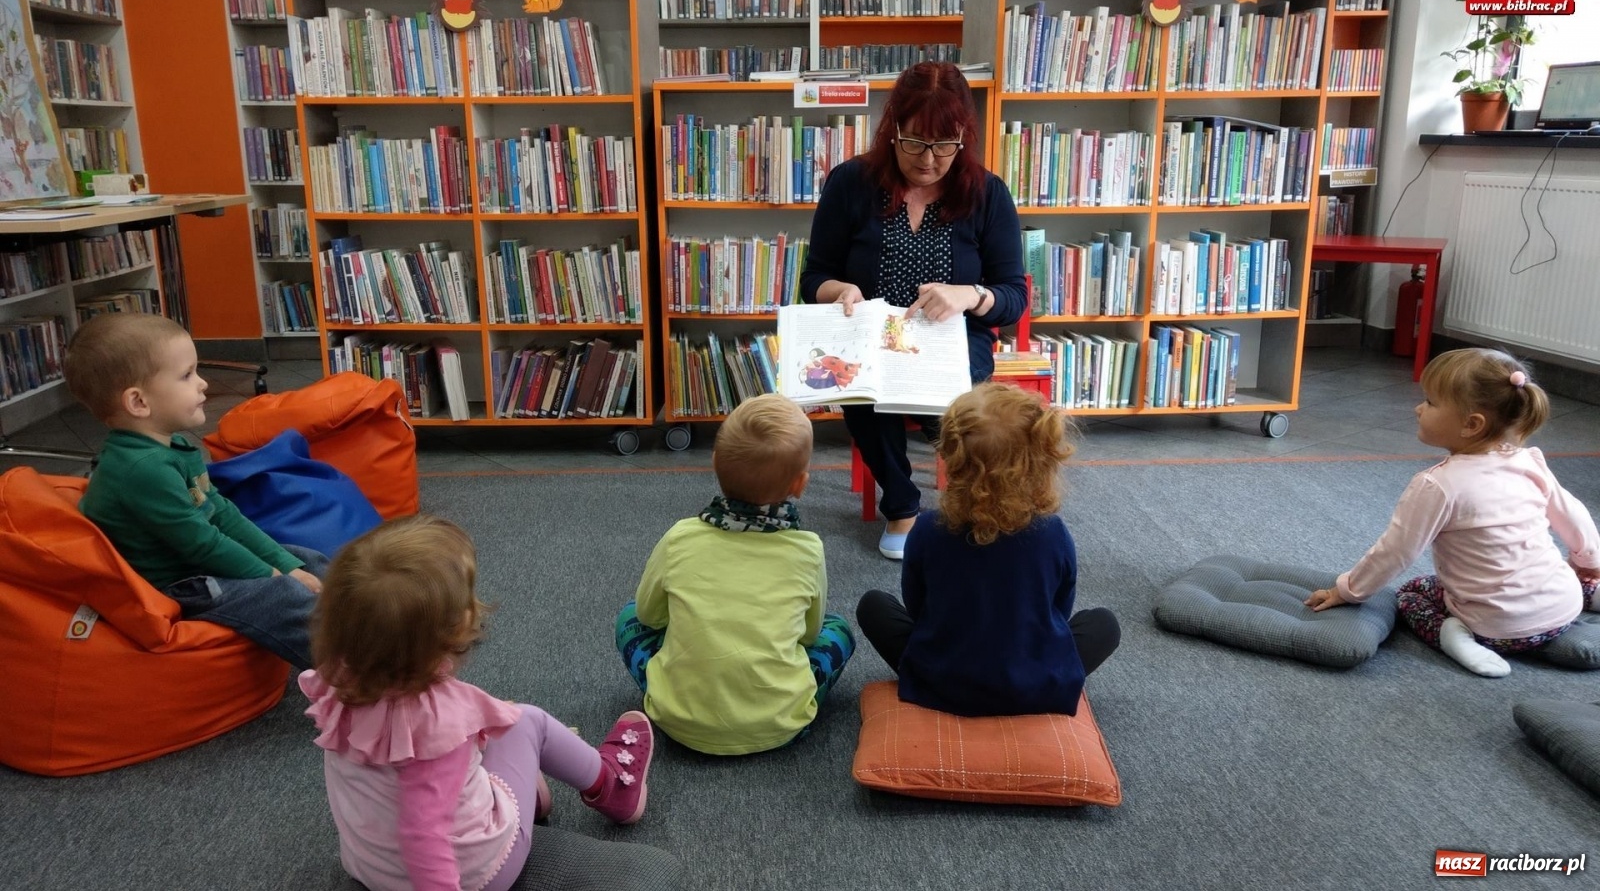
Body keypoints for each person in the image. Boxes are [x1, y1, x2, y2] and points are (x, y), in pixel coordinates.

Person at [303, 515, 655, 891]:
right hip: (479, 872)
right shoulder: (439, 723)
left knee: (493, 726)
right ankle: (614, 787)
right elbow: (423, 836)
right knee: (525, 721)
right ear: (459, 626)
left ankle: (522, 792)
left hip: (370, 867)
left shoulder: (336, 684)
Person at [800, 60, 1028, 560]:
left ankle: (970, 498)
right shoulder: (851, 183)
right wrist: (840, 291)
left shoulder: (987, 193)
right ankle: (902, 505)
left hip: (952, 338)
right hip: (869, 333)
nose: (928, 159)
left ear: (963, 137)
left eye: (944, 145)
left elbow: (1013, 296)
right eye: (915, 142)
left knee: (957, 409)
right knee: (865, 391)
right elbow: (813, 278)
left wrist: (971, 295)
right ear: (893, 129)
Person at [1307, 349, 1600, 677]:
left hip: (1495, 630)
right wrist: (1590, 560)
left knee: (1410, 594)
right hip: (1565, 605)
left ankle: (1453, 636)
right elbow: (1572, 513)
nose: (1418, 409)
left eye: (1430, 402)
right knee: (1551, 569)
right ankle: (1592, 592)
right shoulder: (1529, 462)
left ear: (1471, 424)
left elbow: (1395, 552)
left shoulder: (1437, 485)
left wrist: (1347, 590)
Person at [63, 312, 326, 669]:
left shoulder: (170, 447)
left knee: (307, 559)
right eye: (187, 375)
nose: (203, 383)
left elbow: (222, 513)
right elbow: (202, 543)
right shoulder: (142, 469)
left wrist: (285, 563)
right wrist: (274, 575)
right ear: (139, 403)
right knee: (283, 595)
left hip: (197, 565)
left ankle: (379, 625)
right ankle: (364, 672)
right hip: (176, 585)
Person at [855, 382, 1120, 717]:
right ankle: (1035, 684)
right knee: (1104, 624)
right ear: (1040, 462)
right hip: (1034, 686)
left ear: (950, 459)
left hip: (942, 683)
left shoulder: (927, 528)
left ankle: (945, 678)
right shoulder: (1053, 533)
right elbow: (1058, 611)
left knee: (873, 605)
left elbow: (918, 608)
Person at [615, 393, 855, 754]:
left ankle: (679, 689)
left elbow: (648, 616)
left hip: (678, 724)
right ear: (800, 484)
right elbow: (808, 634)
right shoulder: (808, 550)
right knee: (838, 629)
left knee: (629, 616)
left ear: (714, 461)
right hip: (781, 725)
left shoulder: (680, 537)